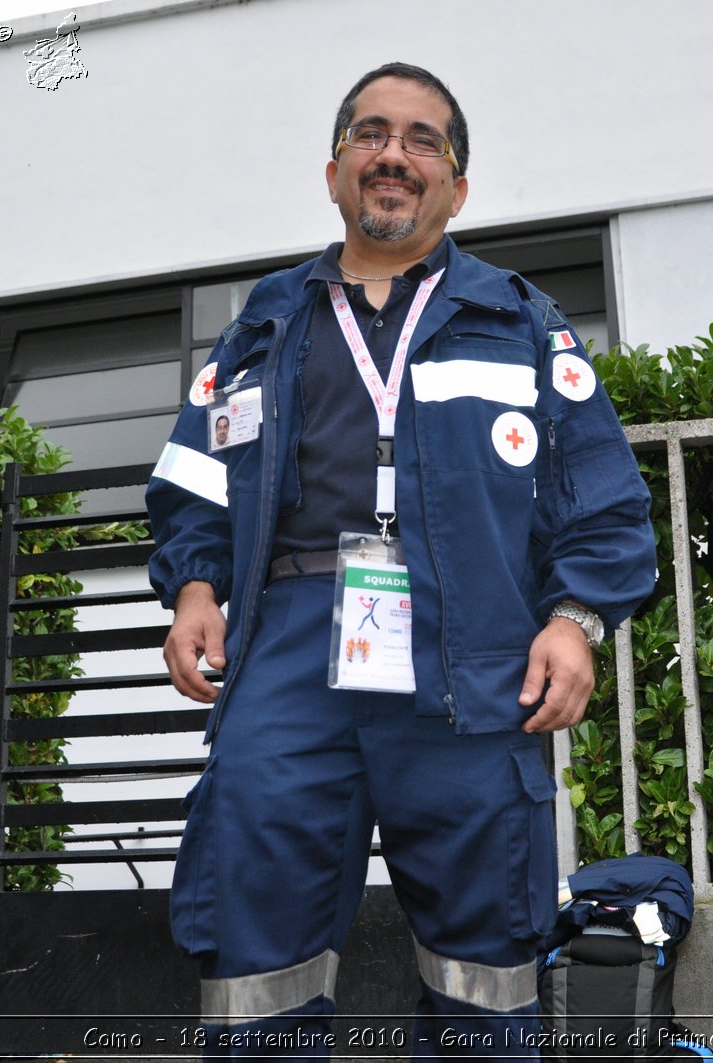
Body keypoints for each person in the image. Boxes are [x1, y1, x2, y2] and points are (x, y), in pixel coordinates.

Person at [146, 61, 656, 1057]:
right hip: (288, 656)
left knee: (485, 949)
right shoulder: (262, 326)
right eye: (371, 134)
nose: (394, 154)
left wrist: (575, 619)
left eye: (423, 140)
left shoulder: (524, 324)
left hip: (469, 657)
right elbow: (193, 481)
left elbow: (603, 499)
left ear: (455, 187)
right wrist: (195, 586)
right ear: (334, 170)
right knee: (256, 932)